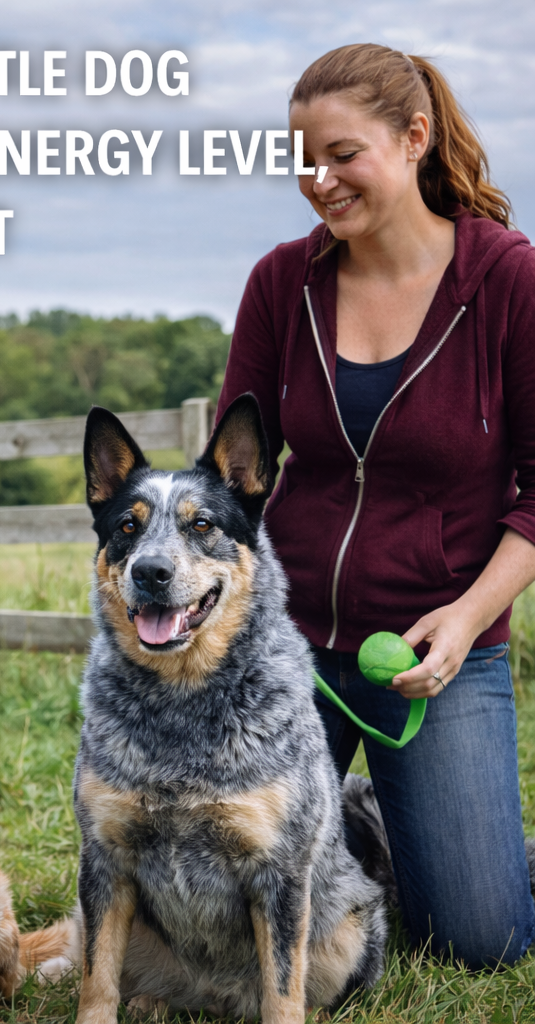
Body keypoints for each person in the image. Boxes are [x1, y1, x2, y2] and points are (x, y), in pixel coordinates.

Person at [216, 43, 535, 969]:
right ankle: (351, 830)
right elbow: (237, 475)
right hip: (290, 647)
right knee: (223, 918)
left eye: (342, 154)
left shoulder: (509, 282)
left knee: (480, 941)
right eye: (302, 159)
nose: (319, 180)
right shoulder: (282, 283)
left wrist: (466, 619)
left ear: (414, 137)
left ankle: (380, 833)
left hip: (436, 655)